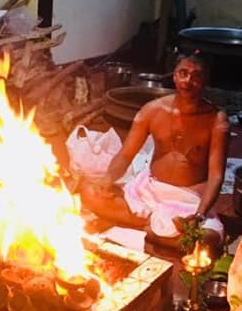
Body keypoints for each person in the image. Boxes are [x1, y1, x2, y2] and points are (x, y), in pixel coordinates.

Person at [80, 53, 229, 250]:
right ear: (174, 76)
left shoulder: (216, 119)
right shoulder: (152, 110)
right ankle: (157, 231)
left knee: (206, 239)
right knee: (88, 192)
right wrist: (107, 179)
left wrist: (200, 214)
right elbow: (125, 155)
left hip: (188, 202)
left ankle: (148, 229)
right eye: (183, 73)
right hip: (148, 193)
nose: (188, 81)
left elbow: (216, 176)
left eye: (196, 76)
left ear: (205, 81)